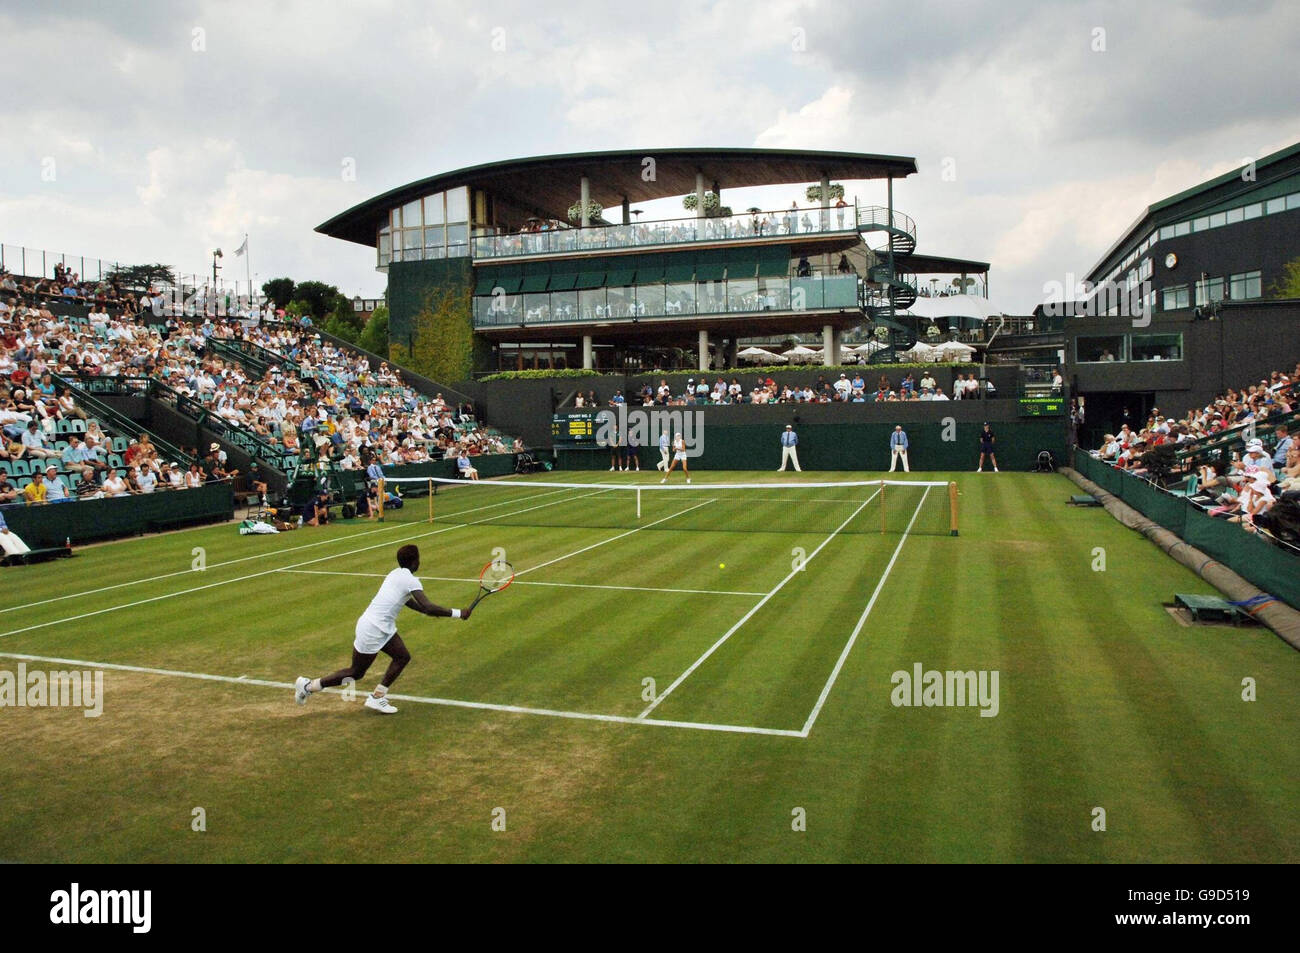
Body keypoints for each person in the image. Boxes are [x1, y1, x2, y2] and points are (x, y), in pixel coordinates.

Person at [294, 545, 475, 715]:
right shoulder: (410, 579)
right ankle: (309, 686)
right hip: (373, 629)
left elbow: (409, 601)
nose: (420, 562)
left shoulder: (396, 574)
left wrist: (429, 612)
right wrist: (458, 613)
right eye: (418, 559)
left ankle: (378, 696)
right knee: (356, 672)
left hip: (381, 627)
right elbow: (427, 606)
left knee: (402, 656)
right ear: (414, 562)